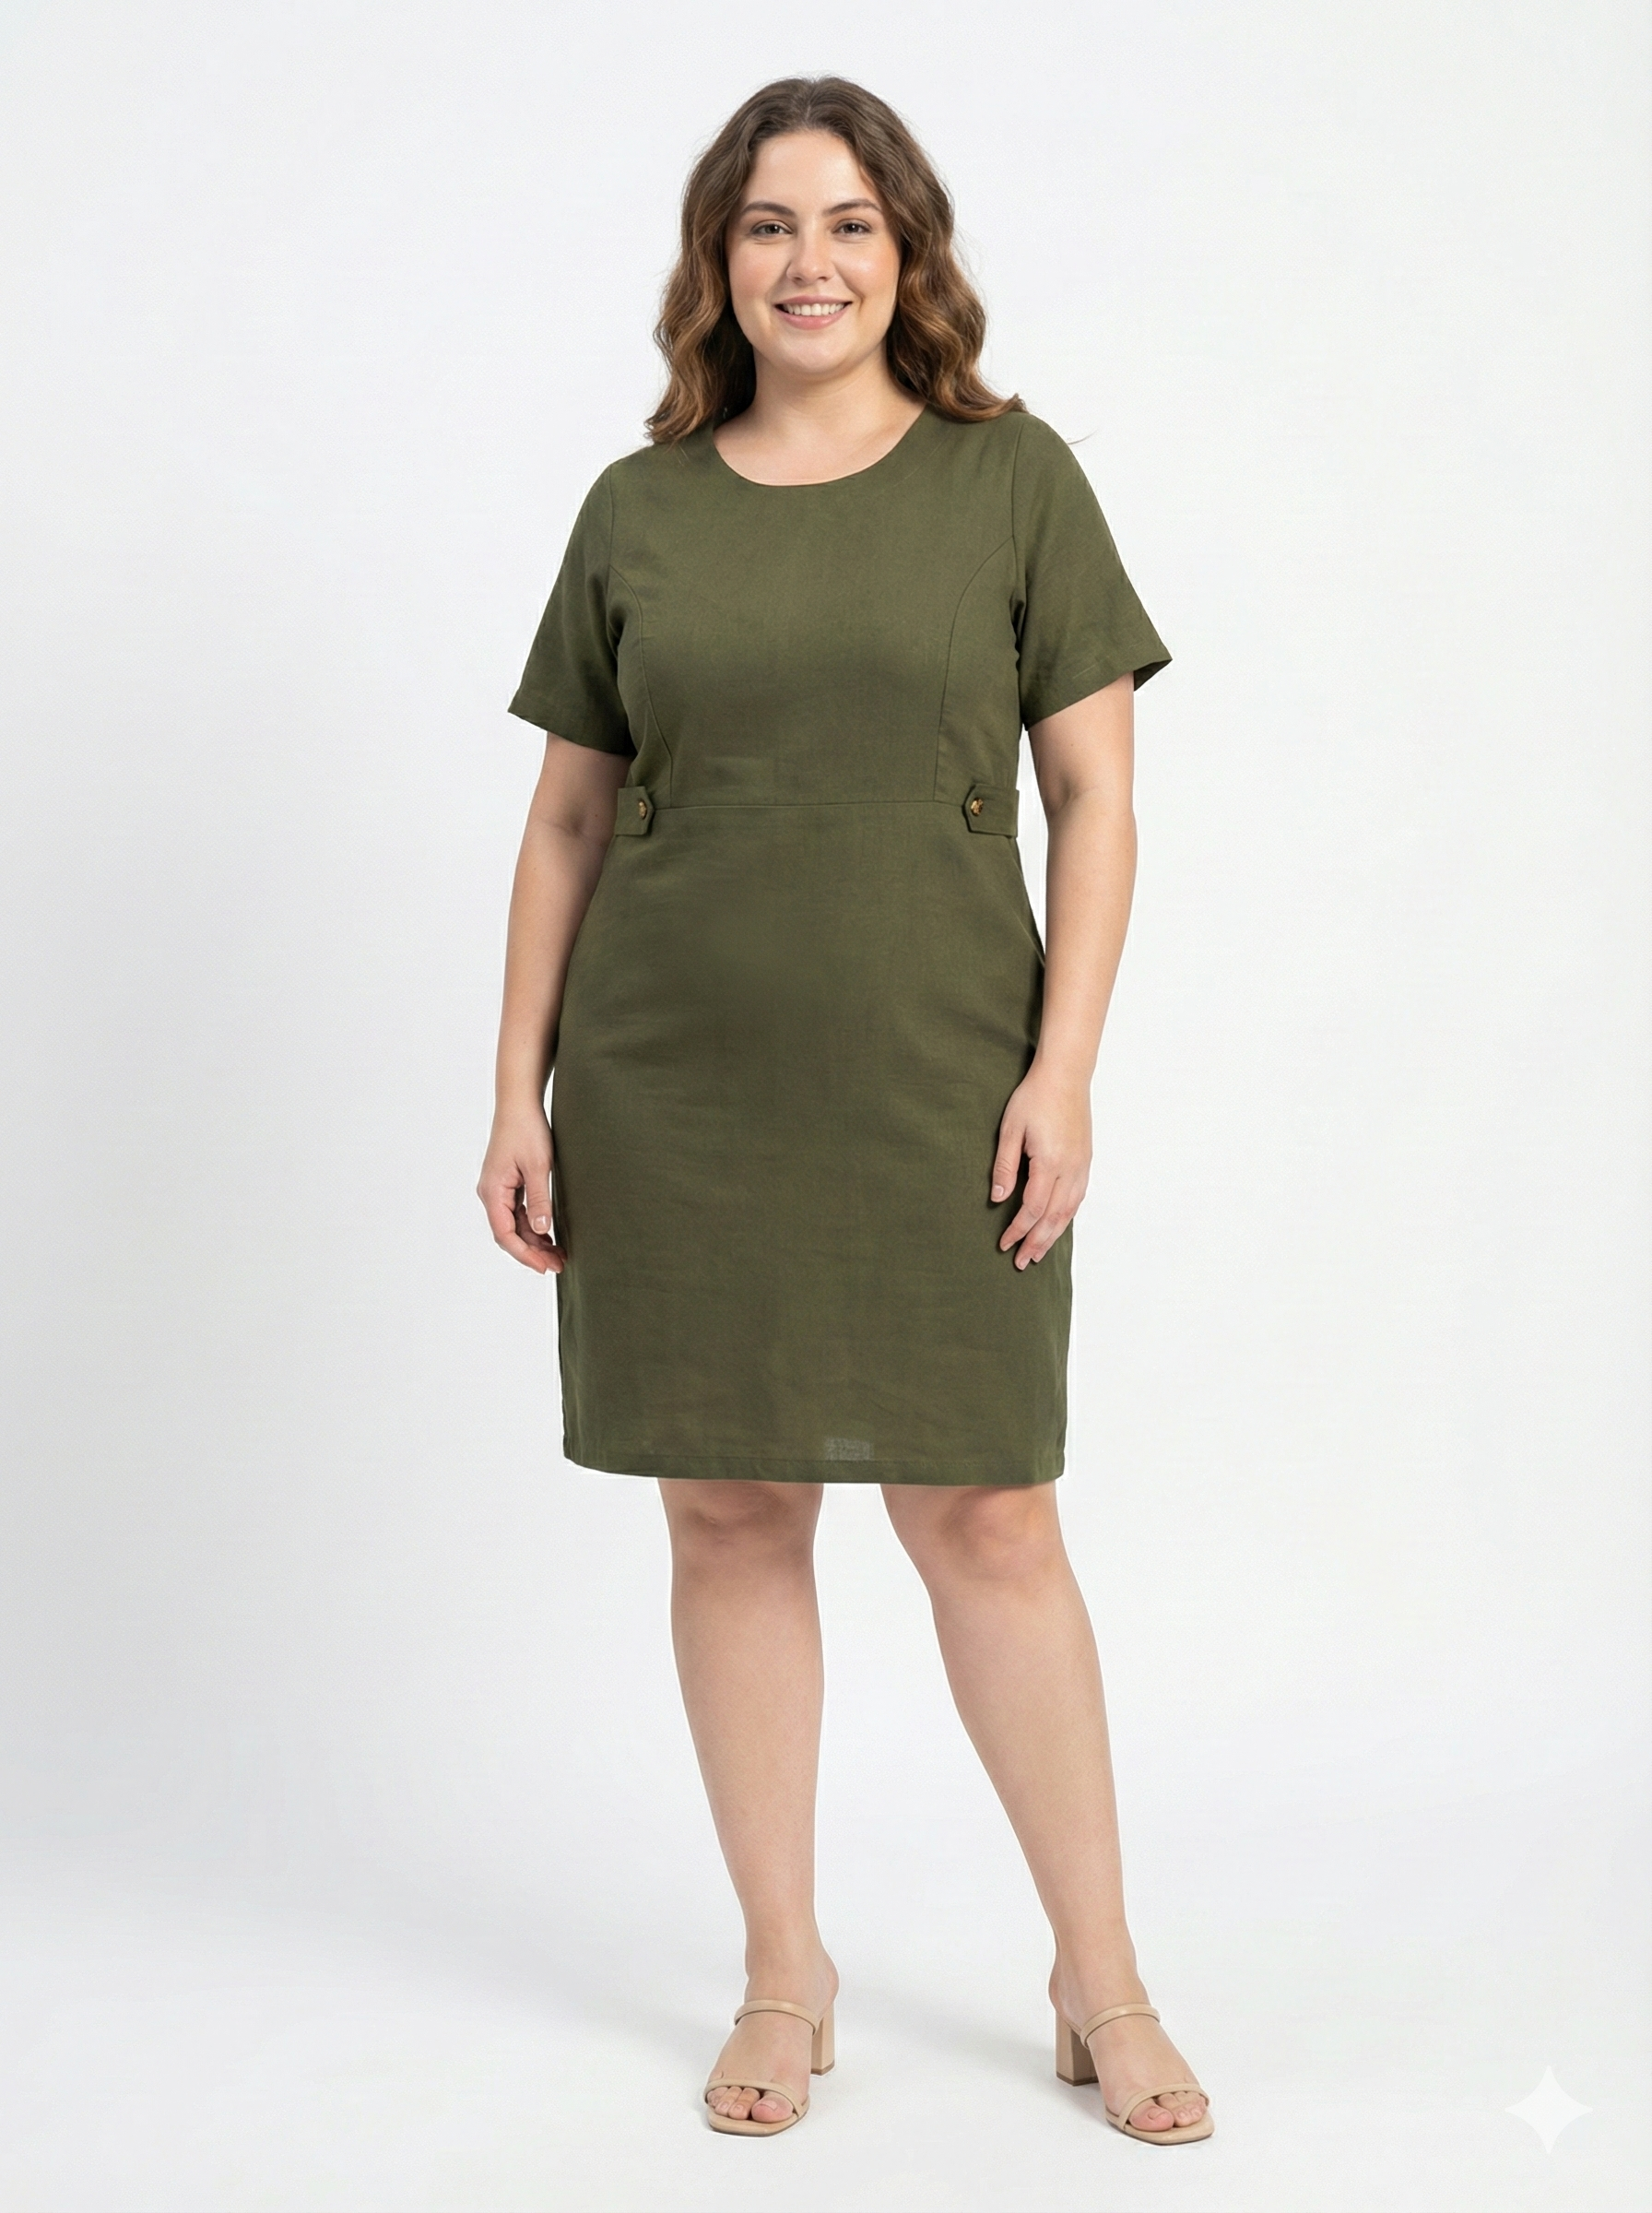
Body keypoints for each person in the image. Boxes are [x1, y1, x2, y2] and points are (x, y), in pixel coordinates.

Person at [478, 76, 1212, 2147]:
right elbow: (565, 819)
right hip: (673, 1087)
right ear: (717, 262)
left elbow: (1095, 795)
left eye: (850, 223)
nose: (809, 263)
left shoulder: (1012, 480)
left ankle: (1100, 1975)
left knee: (987, 1516)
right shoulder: (638, 512)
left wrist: (1063, 1070)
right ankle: (782, 1967)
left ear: (909, 256)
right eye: (768, 225)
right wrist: (516, 1089)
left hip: (938, 1076)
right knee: (726, 1511)